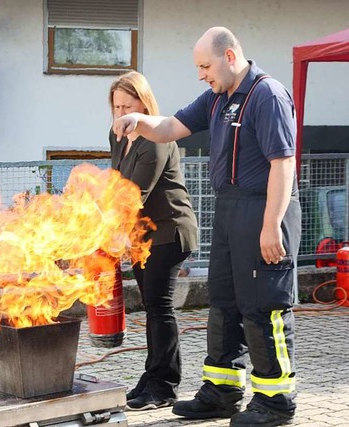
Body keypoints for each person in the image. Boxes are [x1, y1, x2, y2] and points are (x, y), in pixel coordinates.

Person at [112, 27, 301, 426]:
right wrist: (137, 119)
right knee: (225, 301)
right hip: (229, 209)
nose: (201, 74)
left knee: (262, 305)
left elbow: (283, 164)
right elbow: (168, 129)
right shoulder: (217, 97)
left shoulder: (266, 95)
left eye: (205, 66)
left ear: (229, 57)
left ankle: (275, 401)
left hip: (262, 209)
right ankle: (221, 391)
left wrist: (271, 226)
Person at [108, 71, 199, 411]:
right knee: (151, 307)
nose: (121, 115)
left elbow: (133, 195)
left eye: (127, 106)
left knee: (159, 307)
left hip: (170, 231)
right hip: (142, 236)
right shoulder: (117, 135)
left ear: (143, 105)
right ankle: (152, 377)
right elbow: (116, 184)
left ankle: (163, 386)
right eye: (116, 107)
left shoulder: (157, 139)